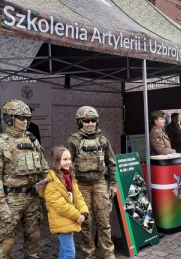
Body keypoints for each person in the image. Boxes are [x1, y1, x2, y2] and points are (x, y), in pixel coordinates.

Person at [0, 99, 50, 258]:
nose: (25, 121)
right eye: (21, 117)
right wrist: (1, 206)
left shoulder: (32, 140)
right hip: (10, 200)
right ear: (8, 118)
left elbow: (45, 169)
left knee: (34, 238)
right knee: (6, 243)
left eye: (27, 117)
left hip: (32, 198)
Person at [65, 106, 117, 259]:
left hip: (100, 183)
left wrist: (112, 184)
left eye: (93, 120)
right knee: (86, 223)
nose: (90, 123)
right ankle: (89, 254)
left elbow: (111, 163)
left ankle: (108, 254)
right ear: (80, 122)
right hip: (82, 185)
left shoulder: (102, 140)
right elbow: (67, 166)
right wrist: (70, 188)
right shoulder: (73, 141)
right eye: (86, 121)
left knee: (104, 221)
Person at [39, 146, 89, 259]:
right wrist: (77, 215)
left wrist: (84, 212)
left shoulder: (69, 176)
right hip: (61, 220)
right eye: (65, 159)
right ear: (57, 161)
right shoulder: (52, 182)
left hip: (70, 218)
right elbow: (61, 206)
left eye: (69, 159)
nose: (68, 162)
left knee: (64, 249)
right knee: (70, 252)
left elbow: (78, 197)